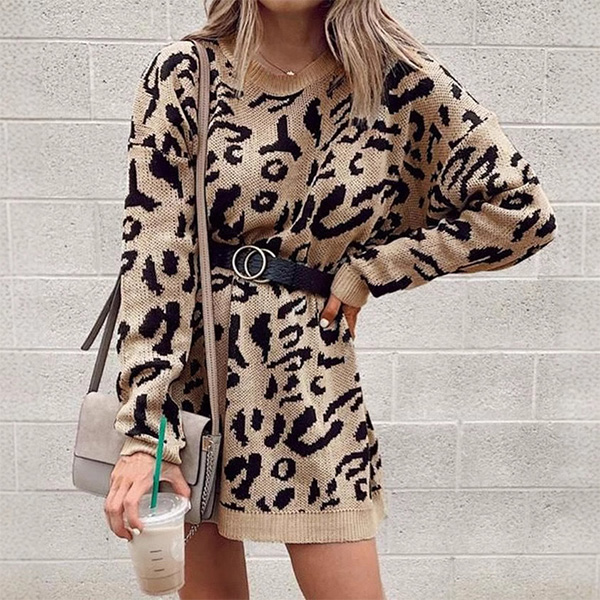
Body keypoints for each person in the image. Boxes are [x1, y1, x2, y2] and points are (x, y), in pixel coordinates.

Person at [104, 0, 558, 598]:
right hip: (192, 383)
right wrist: (146, 431)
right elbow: (154, 259)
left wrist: (373, 270)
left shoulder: (396, 79)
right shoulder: (186, 72)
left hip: (309, 381)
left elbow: (520, 211)